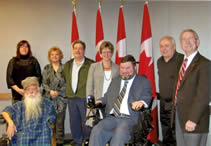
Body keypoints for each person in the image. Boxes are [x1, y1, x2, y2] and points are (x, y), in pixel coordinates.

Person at [89, 55, 152, 146]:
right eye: (122, 68)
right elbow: (107, 97)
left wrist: (141, 102)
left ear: (135, 67)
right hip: (112, 117)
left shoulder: (143, 81)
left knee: (120, 133)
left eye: (128, 68)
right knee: (97, 130)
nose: (124, 71)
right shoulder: (115, 80)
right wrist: (99, 101)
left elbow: (147, 96)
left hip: (129, 118)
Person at [172, 29, 210, 146]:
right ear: (180, 44)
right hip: (179, 115)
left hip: (195, 120)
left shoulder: (205, 64)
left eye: (190, 38)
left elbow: (204, 95)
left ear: (197, 42)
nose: (187, 41)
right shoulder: (180, 63)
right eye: (184, 39)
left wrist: (193, 119)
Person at [1, 77, 56, 146]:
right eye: (28, 89)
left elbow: (52, 116)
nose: (31, 92)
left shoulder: (47, 104)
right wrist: (10, 123)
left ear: (38, 90)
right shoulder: (19, 105)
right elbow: (5, 112)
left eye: (33, 89)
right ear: (24, 92)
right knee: (21, 141)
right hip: (23, 135)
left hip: (41, 134)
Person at [64, 40, 94, 146]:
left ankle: (87, 141)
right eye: (75, 48)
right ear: (72, 50)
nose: (77, 50)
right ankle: (77, 141)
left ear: (84, 51)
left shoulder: (91, 64)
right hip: (71, 98)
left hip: (84, 98)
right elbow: (64, 80)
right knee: (74, 122)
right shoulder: (67, 65)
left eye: (80, 48)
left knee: (87, 121)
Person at [157, 36, 183, 146]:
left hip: (176, 103)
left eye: (167, 46)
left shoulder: (182, 59)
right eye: (161, 46)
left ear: (174, 46)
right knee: (165, 131)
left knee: (176, 133)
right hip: (163, 102)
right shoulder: (159, 61)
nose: (164, 49)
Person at [86, 41, 119, 127]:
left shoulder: (118, 68)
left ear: (112, 53)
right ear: (101, 53)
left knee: (110, 125)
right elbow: (89, 86)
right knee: (97, 125)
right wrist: (90, 103)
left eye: (108, 52)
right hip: (97, 100)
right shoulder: (94, 66)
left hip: (111, 101)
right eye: (104, 52)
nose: (106, 54)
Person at [42, 47, 66, 146]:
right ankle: (49, 142)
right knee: (49, 122)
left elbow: (68, 83)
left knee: (60, 122)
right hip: (49, 98)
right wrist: (50, 91)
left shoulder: (65, 68)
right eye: (52, 54)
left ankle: (60, 142)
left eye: (57, 54)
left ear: (60, 56)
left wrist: (58, 92)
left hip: (61, 98)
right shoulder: (46, 68)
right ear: (49, 57)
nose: (55, 56)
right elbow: (43, 83)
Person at [6, 40, 42, 104]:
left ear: (29, 49)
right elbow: (9, 79)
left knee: (32, 114)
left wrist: (31, 90)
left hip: (32, 95)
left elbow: (39, 77)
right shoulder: (13, 61)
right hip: (17, 96)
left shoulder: (33, 61)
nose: (24, 48)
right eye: (22, 47)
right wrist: (19, 90)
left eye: (26, 47)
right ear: (18, 49)